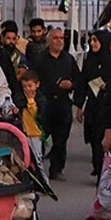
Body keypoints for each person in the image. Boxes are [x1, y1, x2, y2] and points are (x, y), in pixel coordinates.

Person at [32, 27, 81, 179]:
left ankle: (56, 170)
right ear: (48, 40)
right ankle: (36, 169)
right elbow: (33, 79)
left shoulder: (68, 59)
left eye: (61, 38)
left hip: (63, 104)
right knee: (39, 138)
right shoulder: (40, 59)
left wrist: (71, 85)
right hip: (45, 104)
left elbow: (78, 80)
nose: (59, 41)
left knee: (61, 140)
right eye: (55, 38)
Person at [75, 31, 111, 179]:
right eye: (91, 40)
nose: (92, 43)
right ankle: (98, 166)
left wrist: (107, 86)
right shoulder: (90, 60)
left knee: (103, 138)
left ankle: (104, 168)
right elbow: (83, 81)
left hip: (108, 106)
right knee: (93, 137)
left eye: (96, 40)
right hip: (93, 105)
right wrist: (79, 105)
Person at [15, 70, 48, 175]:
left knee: (37, 161)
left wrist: (30, 100)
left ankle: (43, 181)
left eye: (30, 86)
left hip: (35, 134)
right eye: (24, 86)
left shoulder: (40, 99)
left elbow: (36, 114)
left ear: (37, 85)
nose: (27, 89)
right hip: (23, 133)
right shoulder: (20, 98)